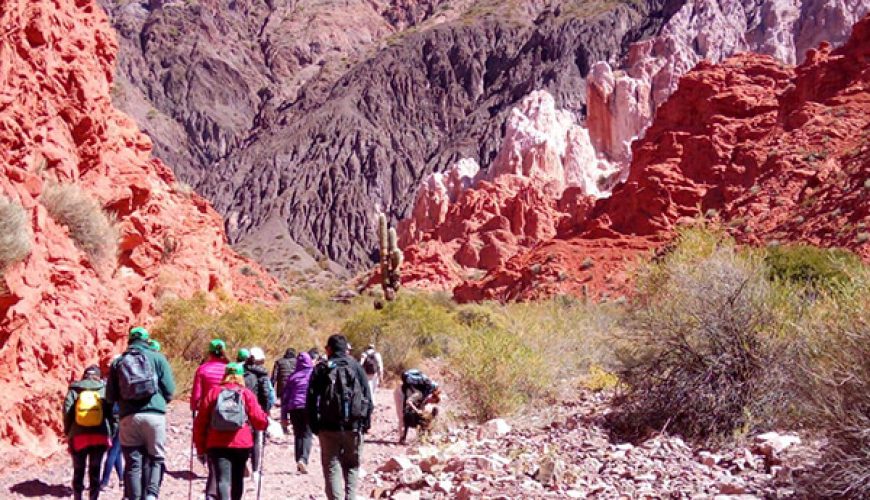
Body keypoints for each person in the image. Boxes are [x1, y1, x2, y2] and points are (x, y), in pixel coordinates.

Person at [106, 326, 175, 500]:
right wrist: (159, 402)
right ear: (146, 340)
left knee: (132, 463)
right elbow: (170, 390)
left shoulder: (118, 362)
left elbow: (110, 396)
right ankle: (151, 495)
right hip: (154, 416)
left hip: (128, 417)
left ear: (130, 340)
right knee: (156, 458)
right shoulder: (158, 358)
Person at [306, 334, 373, 500]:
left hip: (328, 427)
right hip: (354, 427)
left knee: (331, 466)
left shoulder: (322, 368)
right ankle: (351, 497)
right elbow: (368, 398)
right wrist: (365, 424)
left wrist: (315, 425)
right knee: (352, 466)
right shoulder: (356, 367)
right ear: (346, 350)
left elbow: (311, 399)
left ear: (329, 349)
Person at [193, 363, 269, 500]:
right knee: (237, 478)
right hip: (241, 443)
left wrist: (200, 447)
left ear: (225, 375)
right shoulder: (246, 393)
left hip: (217, 443)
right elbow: (259, 420)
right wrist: (265, 422)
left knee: (223, 480)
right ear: (241, 376)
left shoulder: (214, 393)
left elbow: (200, 422)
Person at [64, 365, 115, 500]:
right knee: (95, 470)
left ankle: (77, 497)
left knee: (78, 470)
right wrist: (111, 432)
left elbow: (67, 413)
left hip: (79, 436)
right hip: (100, 436)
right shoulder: (104, 389)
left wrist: (68, 432)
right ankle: (93, 497)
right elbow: (112, 414)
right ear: (98, 376)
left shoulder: (74, 390)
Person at [191, 339, 229, 500]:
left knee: (212, 451)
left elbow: (196, 397)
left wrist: (194, 409)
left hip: (209, 415)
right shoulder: (230, 369)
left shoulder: (203, 369)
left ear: (209, 352)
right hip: (229, 414)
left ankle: (212, 491)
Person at [243, 347, 274, 484]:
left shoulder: (241, 372)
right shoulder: (262, 375)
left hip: (242, 410)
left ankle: (242, 464)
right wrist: (266, 412)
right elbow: (266, 394)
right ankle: (255, 471)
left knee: (243, 437)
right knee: (256, 439)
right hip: (256, 410)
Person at [281, 351, 314, 474]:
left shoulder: (292, 377)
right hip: (308, 407)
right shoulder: (313, 374)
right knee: (307, 433)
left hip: (294, 407)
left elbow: (285, 397)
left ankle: (298, 461)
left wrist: (284, 416)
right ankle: (303, 459)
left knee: (298, 434)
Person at [394, 369, 439, 444]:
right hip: (400, 393)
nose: (430, 403)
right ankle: (402, 438)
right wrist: (417, 410)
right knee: (402, 416)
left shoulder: (425, 393)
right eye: (432, 401)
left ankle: (420, 438)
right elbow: (409, 401)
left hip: (407, 394)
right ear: (432, 397)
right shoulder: (420, 394)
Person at [99, 402, 123, 492]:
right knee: (113, 452)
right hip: (120, 423)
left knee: (117, 452)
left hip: (112, 423)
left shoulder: (110, 392)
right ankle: (104, 482)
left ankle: (122, 479)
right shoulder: (122, 390)